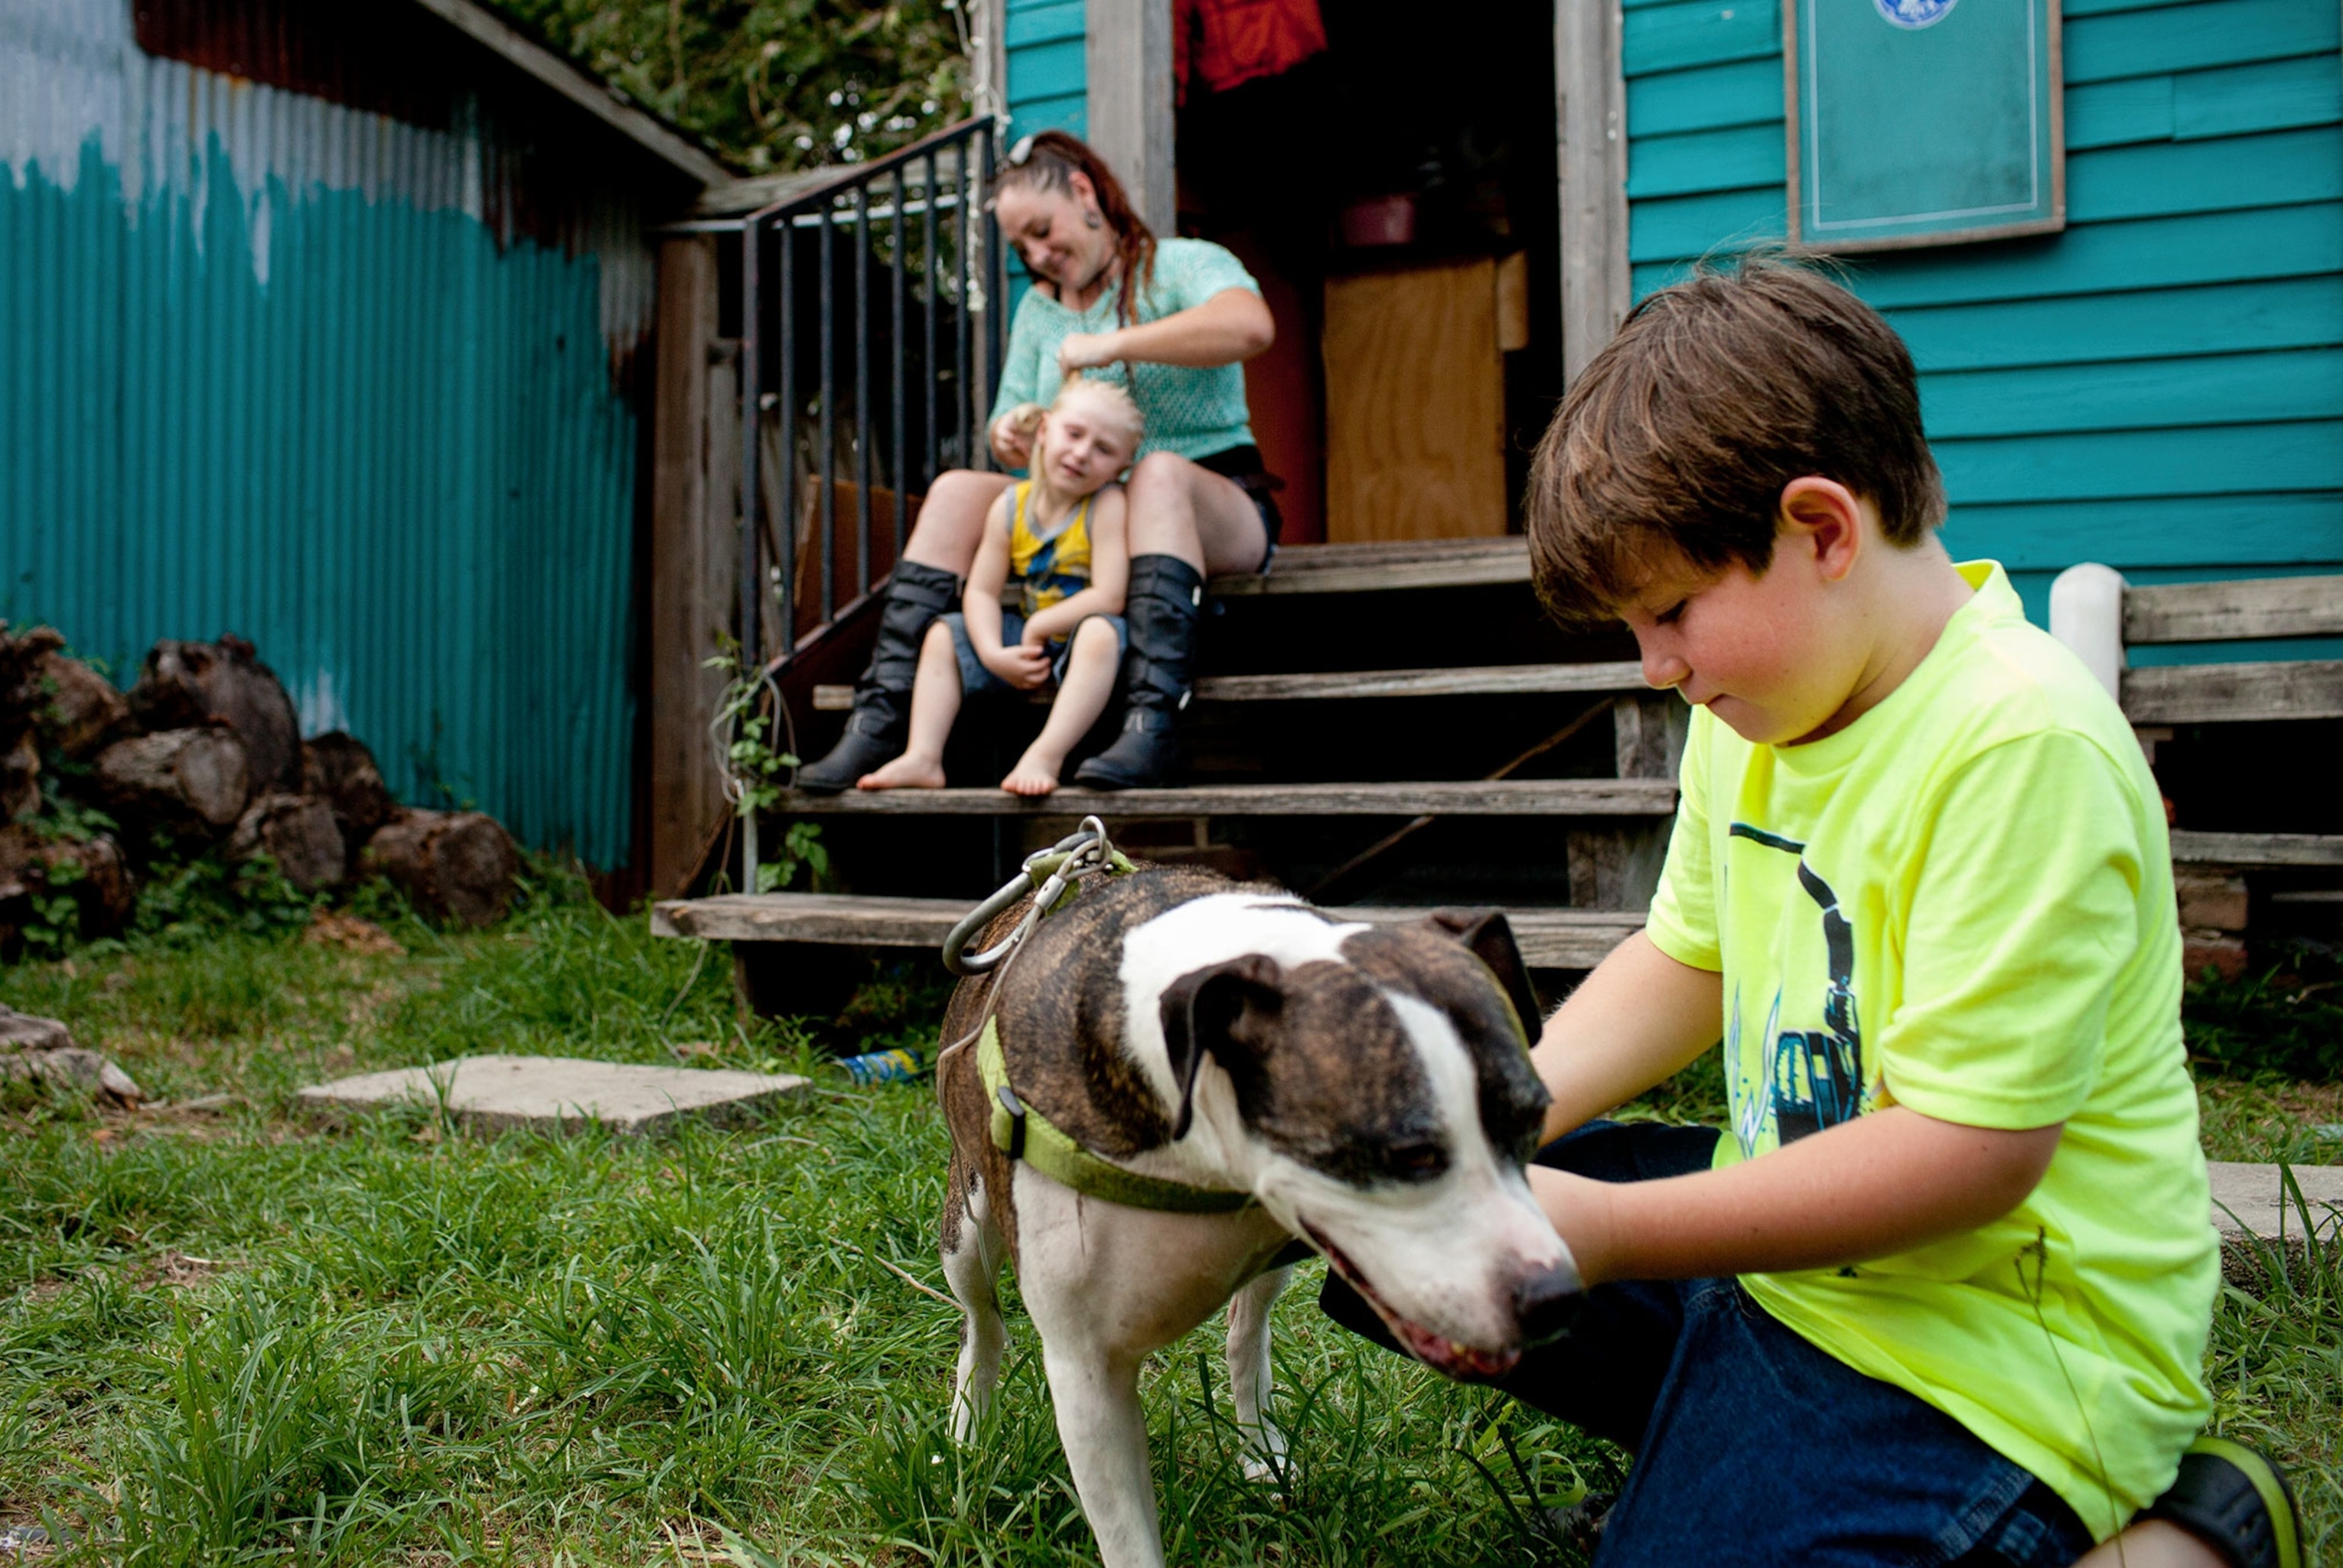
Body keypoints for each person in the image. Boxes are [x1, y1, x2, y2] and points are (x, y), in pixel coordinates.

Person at [1321, 259, 2305, 1568]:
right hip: (1802, 1255)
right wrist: (1493, 1121)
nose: (1656, 663)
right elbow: (1686, 956)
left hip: (1995, 1344)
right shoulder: (1761, 703)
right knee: (1395, 1238)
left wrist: (1605, 1232)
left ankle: (2180, 1535)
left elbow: (1965, 1154)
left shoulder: (2017, 743)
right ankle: (1731, 1465)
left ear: (1823, 528)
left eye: (1670, 610)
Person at [796, 129, 1279, 794]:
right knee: (959, 487)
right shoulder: (1037, 309)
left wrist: (1111, 344)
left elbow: (1251, 327)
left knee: (1160, 472)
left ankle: (1150, 727)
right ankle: (882, 723)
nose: (1039, 255)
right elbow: (1008, 419)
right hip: (1084, 513)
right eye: (1023, 246)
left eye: (1043, 231)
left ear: (1085, 193)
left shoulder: (1182, 265)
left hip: (1212, 502)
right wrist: (1014, 434)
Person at [857, 377, 1138, 797]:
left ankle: (1045, 753)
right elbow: (982, 592)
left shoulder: (1107, 505)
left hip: (1078, 643)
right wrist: (992, 652)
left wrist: (1042, 624)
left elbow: (1110, 595)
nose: (1082, 453)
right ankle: (923, 755)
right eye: (1074, 434)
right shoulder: (1010, 507)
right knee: (942, 634)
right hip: (1024, 643)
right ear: (1044, 430)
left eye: (1104, 450)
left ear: (1120, 469)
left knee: (1100, 632)